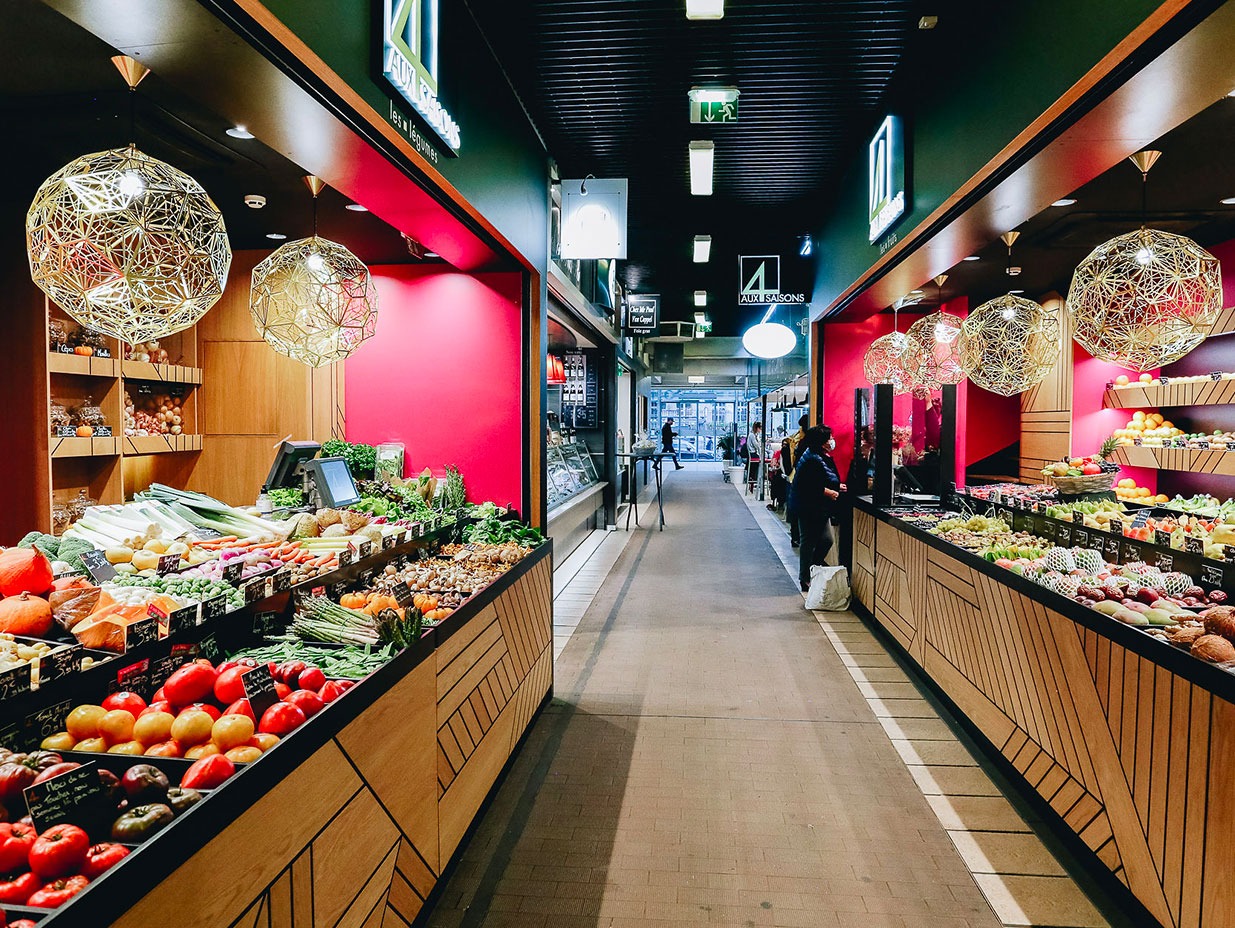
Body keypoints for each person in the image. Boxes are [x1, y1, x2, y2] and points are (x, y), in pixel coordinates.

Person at [788, 426, 844, 593]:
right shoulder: (813, 458)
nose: (832, 441)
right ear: (821, 442)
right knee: (809, 542)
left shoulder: (815, 456)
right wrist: (829, 492)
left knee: (825, 540)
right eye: (829, 438)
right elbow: (808, 486)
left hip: (816, 507)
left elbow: (818, 479)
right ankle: (806, 577)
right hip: (809, 507)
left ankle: (812, 571)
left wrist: (835, 486)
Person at [782, 414, 810, 546]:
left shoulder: (795, 439)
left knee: (795, 509)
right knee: (800, 511)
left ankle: (795, 537)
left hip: (793, 477)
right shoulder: (806, 443)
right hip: (799, 479)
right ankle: (798, 537)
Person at [745, 421, 765, 490]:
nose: (760, 430)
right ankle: (761, 479)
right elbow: (757, 446)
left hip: (753, 454)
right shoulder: (752, 435)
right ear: (757, 428)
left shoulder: (754, 435)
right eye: (760, 428)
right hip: (753, 454)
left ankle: (759, 479)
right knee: (763, 462)